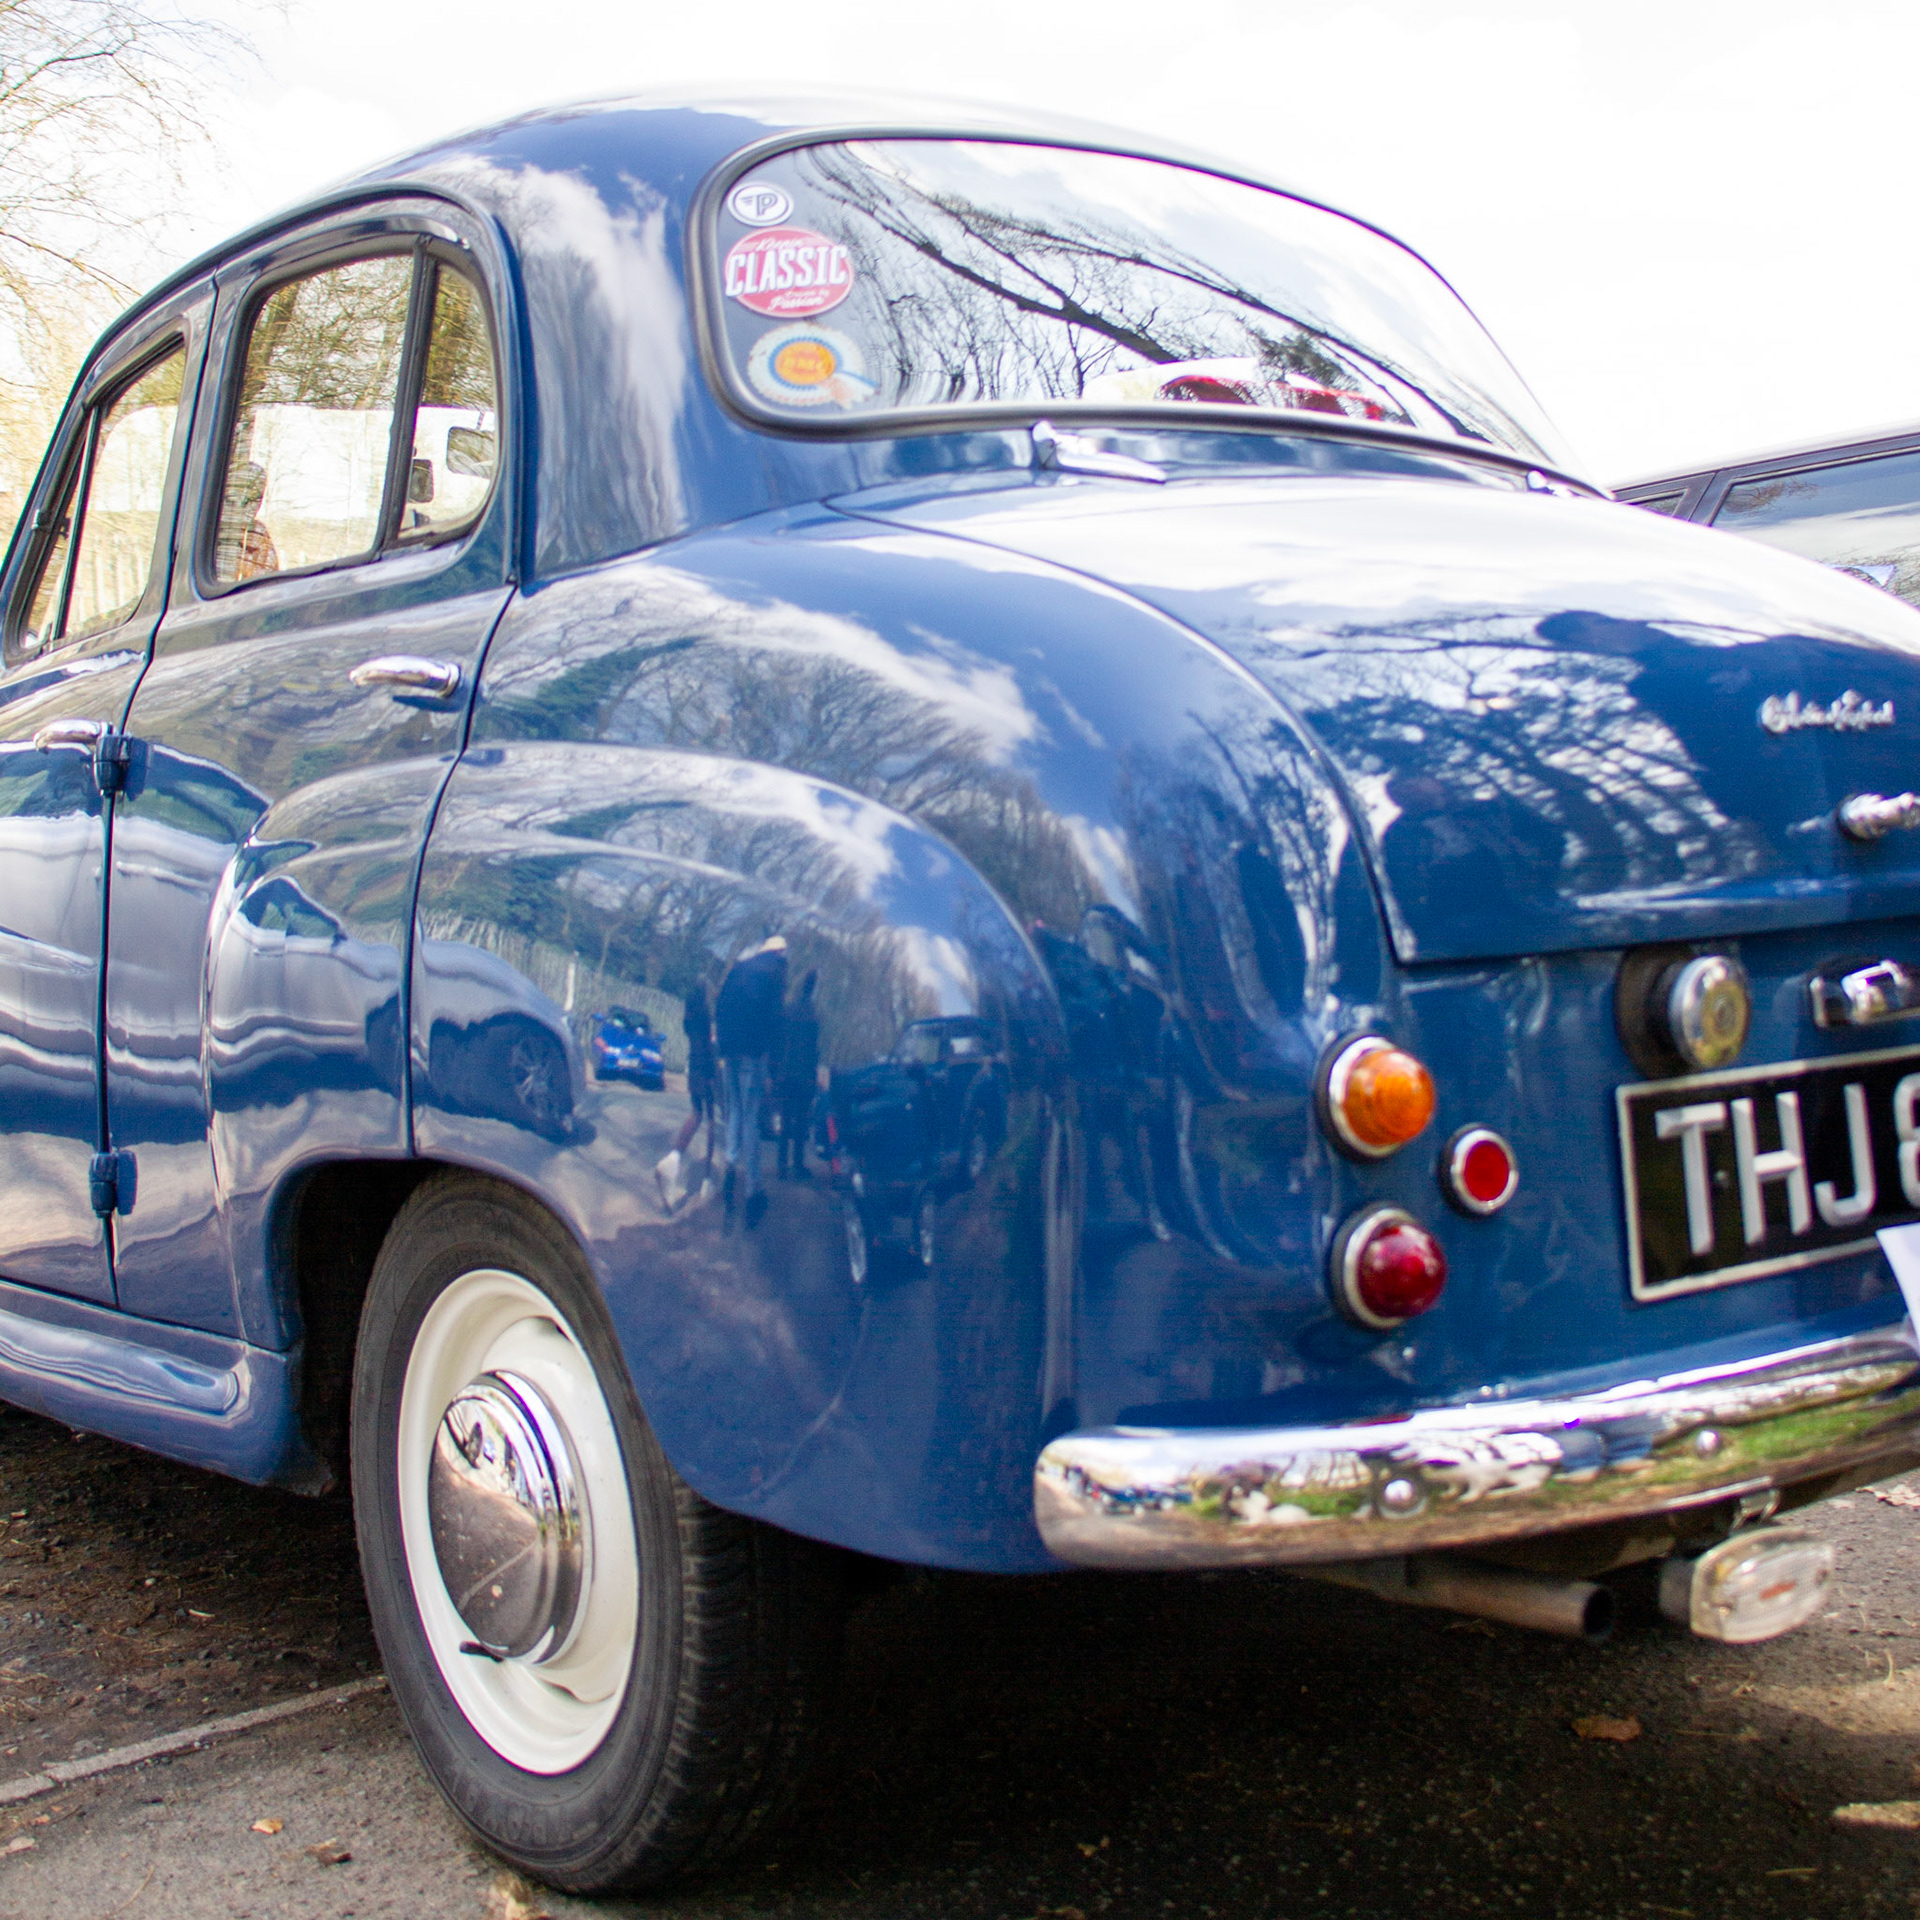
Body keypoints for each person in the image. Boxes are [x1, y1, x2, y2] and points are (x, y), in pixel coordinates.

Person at [714, 935, 787, 1225]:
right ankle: (752, 1189)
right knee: (751, 1118)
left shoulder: (739, 969)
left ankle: (731, 1167)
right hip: (753, 1054)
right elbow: (775, 1020)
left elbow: (720, 1006)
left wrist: (722, 1045)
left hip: (730, 1051)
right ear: (779, 953)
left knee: (734, 1112)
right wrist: (774, 1063)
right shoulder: (775, 973)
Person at [653, 982, 718, 1213]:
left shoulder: (688, 1018)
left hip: (693, 1069)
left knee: (696, 1115)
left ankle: (673, 1158)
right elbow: (707, 1047)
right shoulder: (703, 1017)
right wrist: (712, 1073)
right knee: (711, 1120)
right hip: (705, 1070)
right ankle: (707, 1179)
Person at [777, 971, 820, 1179]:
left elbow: (780, 1042)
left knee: (785, 1120)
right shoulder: (812, 1014)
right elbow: (813, 1050)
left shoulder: (789, 1010)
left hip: (786, 1072)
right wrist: (813, 1075)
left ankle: (781, 1166)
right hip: (803, 1075)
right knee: (801, 1122)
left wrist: (777, 1070)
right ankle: (798, 1164)